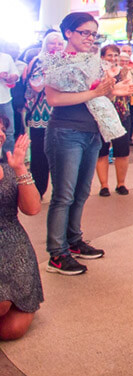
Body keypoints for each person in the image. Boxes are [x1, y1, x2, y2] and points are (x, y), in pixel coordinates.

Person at [44, 13, 133, 275]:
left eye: (93, 34)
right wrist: (97, 92)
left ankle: (73, 241)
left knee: (82, 192)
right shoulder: (55, 60)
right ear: (68, 33)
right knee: (63, 195)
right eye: (84, 32)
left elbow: (98, 92)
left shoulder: (93, 61)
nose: (89, 38)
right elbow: (54, 99)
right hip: (65, 131)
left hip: (91, 131)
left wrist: (115, 90)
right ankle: (57, 254)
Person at [0, 124, 43, 340]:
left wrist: (20, 169)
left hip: (12, 245)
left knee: (11, 330)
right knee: (2, 303)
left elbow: (32, 208)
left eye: (1, 129)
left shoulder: (9, 169)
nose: (0, 134)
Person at [23, 33, 64, 198]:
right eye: (52, 44)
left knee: (61, 152)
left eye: (59, 44)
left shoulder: (67, 61)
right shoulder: (37, 61)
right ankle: (39, 189)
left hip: (62, 112)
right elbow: (35, 87)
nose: (56, 47)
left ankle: (60, 190)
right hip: (40, 113)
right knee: (39, 153)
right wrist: (48, 73)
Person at [95, 45, 133, 196]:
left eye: (115, 55)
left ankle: (121, 183)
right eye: (110, 55)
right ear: (102, 56)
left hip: (121, 113)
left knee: (122, 151)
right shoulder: (97, 72)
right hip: (102, 114)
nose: (113, 59)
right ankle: (104, 185)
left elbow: (130, 88)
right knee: (102, 151)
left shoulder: (124, 71)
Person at [0, 49, 16, 156]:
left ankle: (8, 164)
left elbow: (15, 76)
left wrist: (10, 77)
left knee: (9, 131)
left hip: (5, 99)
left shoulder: (6, 57)